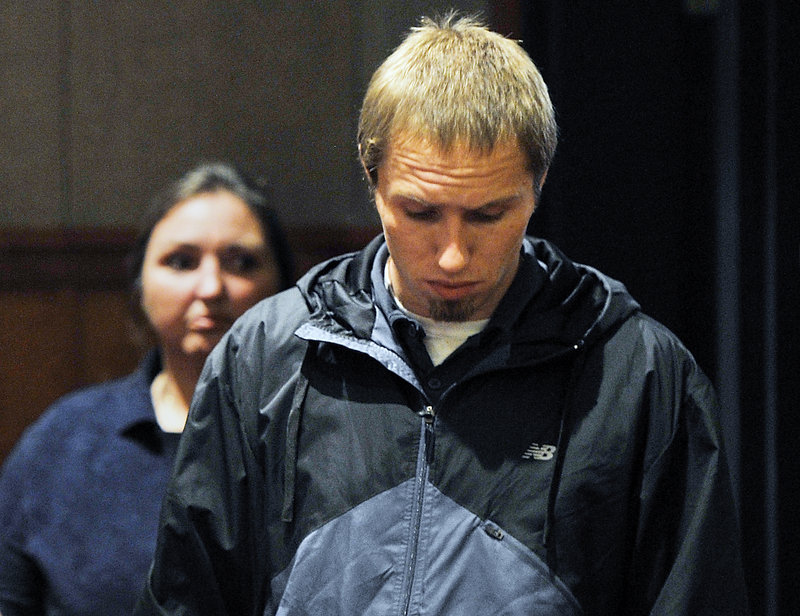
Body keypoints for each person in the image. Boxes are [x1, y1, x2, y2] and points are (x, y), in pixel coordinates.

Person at [136, 14, 749, 615]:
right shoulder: (265, 357)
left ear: (538, 188)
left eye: (487, 216)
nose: (453, 256)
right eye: (421, 213)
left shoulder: (639, 374)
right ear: (372, 178)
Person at [0, 162, 294, 616]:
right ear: (141, 285)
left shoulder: (319, 433)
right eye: (181, 261)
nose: (212, 286)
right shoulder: (62, 440)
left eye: (242, 263)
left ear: (285, 286)